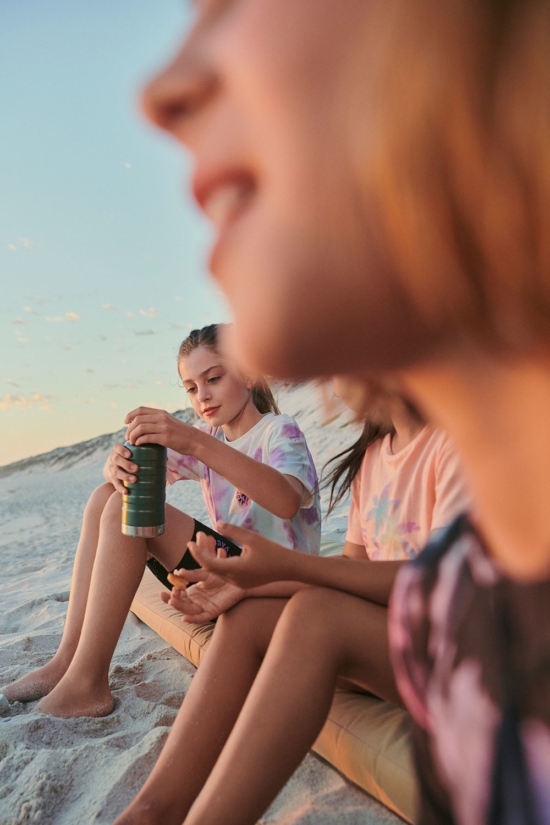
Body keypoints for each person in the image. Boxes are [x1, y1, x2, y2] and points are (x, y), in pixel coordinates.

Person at [128, 0, 548, 822]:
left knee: (311, 612)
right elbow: (355, 547)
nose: (161, 92)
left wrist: (283, 564)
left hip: (365, 621)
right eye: (191, 386)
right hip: (393, 621)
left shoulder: (291, 440)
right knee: (127, 508)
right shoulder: (476, 581)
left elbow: (292, 512)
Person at [113, 375, 469, 825]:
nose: (333, 390)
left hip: (461, 656)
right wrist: (246, 586)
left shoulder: (456, 445)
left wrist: (285, 568)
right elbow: (352, 574)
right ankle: (154, 810)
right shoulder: (372, 458)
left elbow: (440, 586)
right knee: (252, 616)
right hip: (394, 645)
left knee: (316, 615)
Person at [2, 323, 320, 718]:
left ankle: (87, 682)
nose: (201, 396)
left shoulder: (279, 430)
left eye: (214, 379)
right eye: (190, 388)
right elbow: (132, 482)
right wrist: (114, 466)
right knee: (110, 496)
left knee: (124, 508)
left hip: (275, 583)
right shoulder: (212, 438)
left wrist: (195, 441)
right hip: (225, 575)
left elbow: (286, 499)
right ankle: (69, 657)